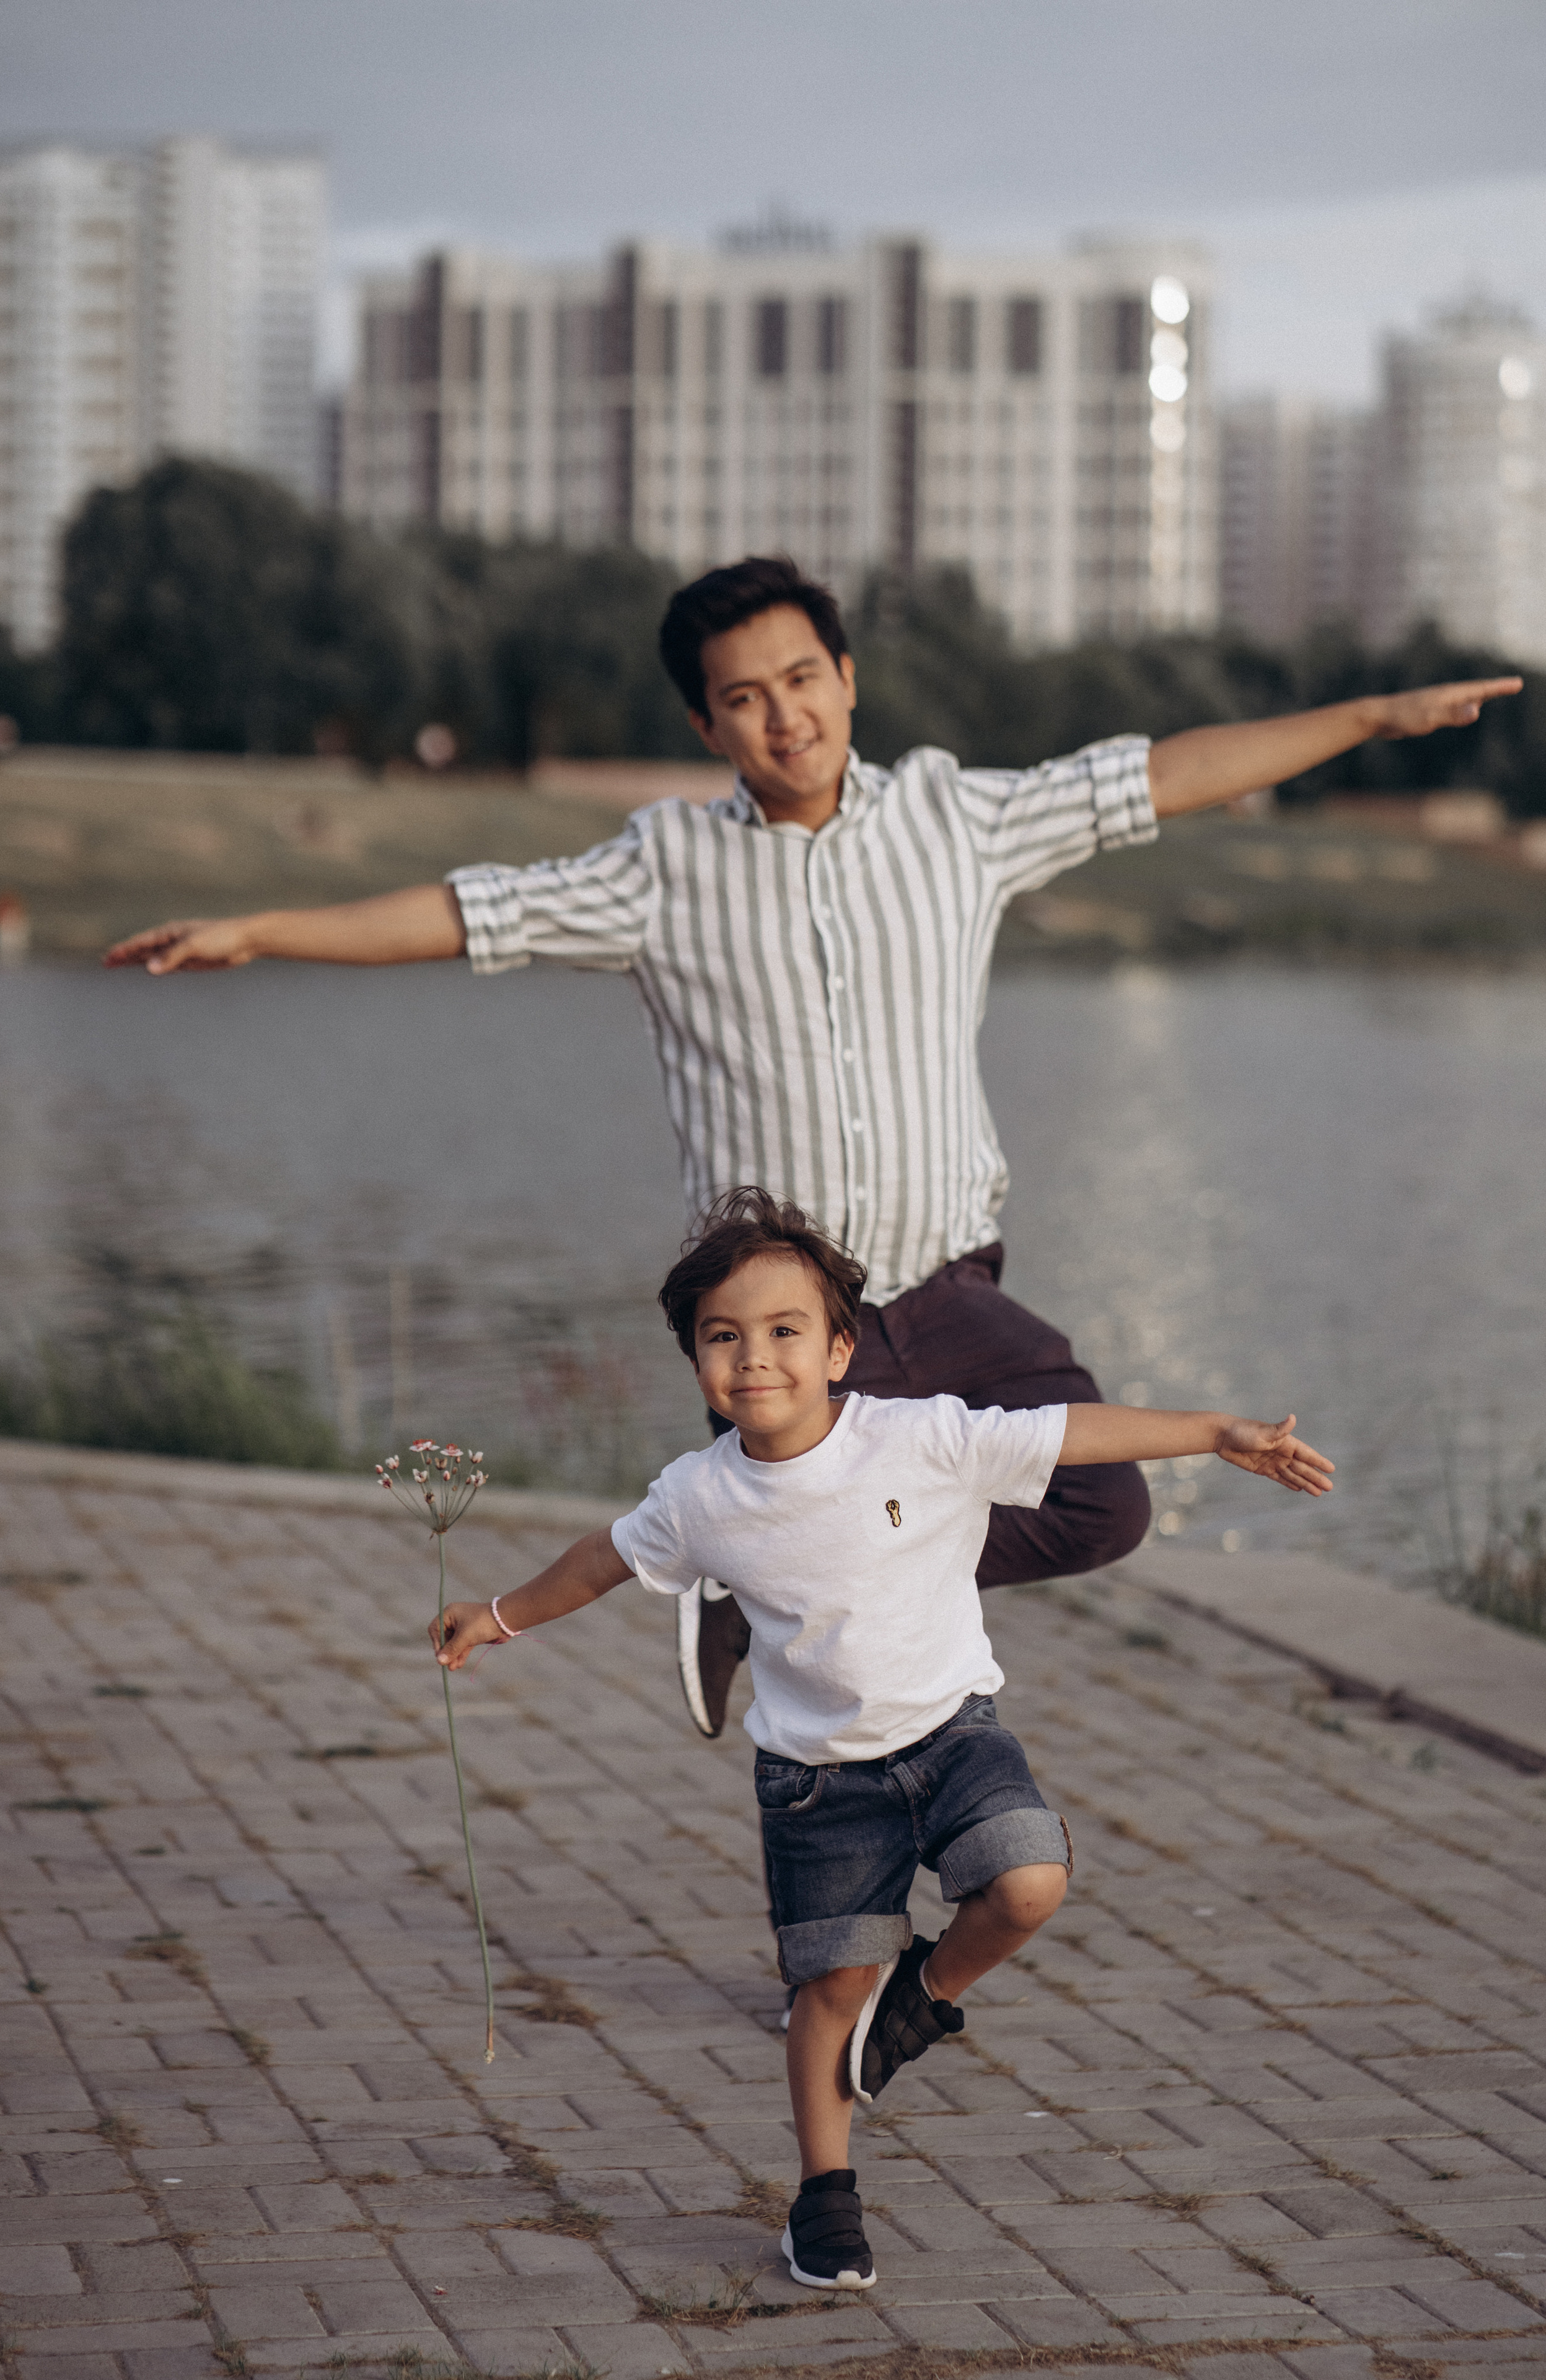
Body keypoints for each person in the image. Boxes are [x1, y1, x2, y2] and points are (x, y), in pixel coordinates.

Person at [105, 557, 1519, 1739]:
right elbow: (470, 912)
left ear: (845, 679)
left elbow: (1156, 776)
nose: (782, 719)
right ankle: (769, 1587)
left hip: (952, 1289)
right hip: (784, 1316)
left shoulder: (955, 819)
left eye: (800, 682)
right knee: (862, 1709)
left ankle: (763, 1580)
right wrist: (259, 927)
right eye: (742, 700)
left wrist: (1370, 717)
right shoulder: (661, 870)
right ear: (707, 725)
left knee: (1102, 1503)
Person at [429, 1186, 1335, 2292]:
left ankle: (927, 1997)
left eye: (784, 1332)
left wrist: (1218, 1435)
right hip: (818, 1788)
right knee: (824, 2000)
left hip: (955, 1735)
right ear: (697, 1363)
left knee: (1030, 1881)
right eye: (724, 1338)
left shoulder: (921, 1437)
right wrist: (501, 1614)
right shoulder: (699, 1496)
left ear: (840, 1349)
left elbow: (1070, 1433)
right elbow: (602, 1559)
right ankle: (823, 2201)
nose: (754, 1359)